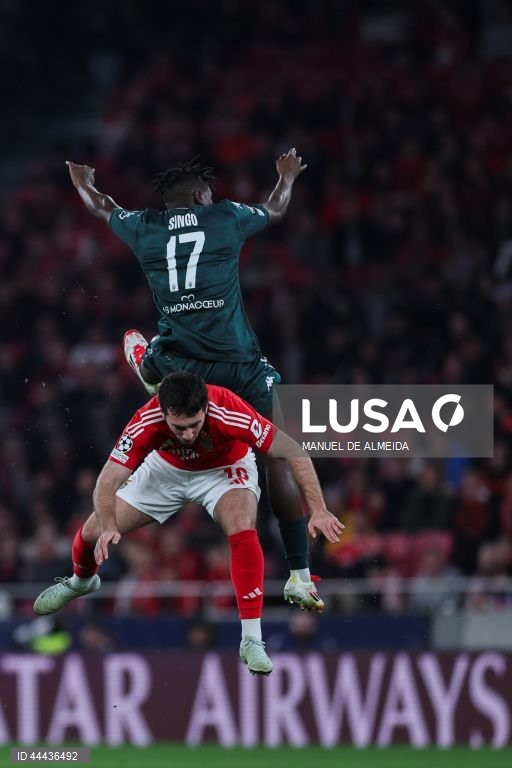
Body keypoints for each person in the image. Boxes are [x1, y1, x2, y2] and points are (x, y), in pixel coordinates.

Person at [66, 150, 322, 611]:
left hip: (181, 365)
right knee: (277, 457)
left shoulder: (145, 226)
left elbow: (103, 207)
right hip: (240, 365)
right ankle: (300, 577)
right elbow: (277, 208)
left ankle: (149, 370)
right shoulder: (224, 217)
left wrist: (83, 183)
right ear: (202, 196)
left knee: (155, 361)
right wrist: (285, 177)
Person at [33, 371, 343, 676]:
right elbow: (107, 480)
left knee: (242, 525)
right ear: (164, 412)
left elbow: (292, 451)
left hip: (224, 468)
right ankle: (81, 582)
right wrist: (110, 524)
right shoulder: (145, 420)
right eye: (180, 427)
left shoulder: (230, 411)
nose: (189, 435)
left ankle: (251, 639)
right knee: (92, 531)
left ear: (205, 407)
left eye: (195, 425)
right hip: (165, 471)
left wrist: (318, 509)